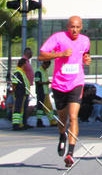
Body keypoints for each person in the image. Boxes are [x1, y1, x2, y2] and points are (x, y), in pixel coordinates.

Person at [39, 15, 91, 166]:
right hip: (59, 85)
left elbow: (85, 54)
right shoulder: (58, 38)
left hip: (76, 82)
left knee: (73, 117)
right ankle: (62, 135)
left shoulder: (85, 40)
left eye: (77, 27)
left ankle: (70, 153)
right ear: (67, 27)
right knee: (63, 119)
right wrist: (59, 54)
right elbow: (41, 55)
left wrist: (86, 60)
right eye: (72, 27)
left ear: (81, 27)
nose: (74, 30)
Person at [34, 60, 56, 127]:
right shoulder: (38, 71)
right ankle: (39, 121)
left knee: (48, 107)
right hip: (41, 92)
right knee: (40, 107)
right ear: (44, 64)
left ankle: (52, 121)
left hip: (45, 92)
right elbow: (37, 81)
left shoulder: (44, 71)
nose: (47, 67)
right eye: (47, 65)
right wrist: (46, 83)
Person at [11, 58, 31, 130]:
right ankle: (16, 124)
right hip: (19, 93)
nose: (27, 65)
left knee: (21, 109)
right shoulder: (18, 72)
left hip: (23, 93)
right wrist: (14, 92)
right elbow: (14, 84)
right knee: (17, 109)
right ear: (23, 64)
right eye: (26, 63)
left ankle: (20, 124)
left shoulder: (22, 72)